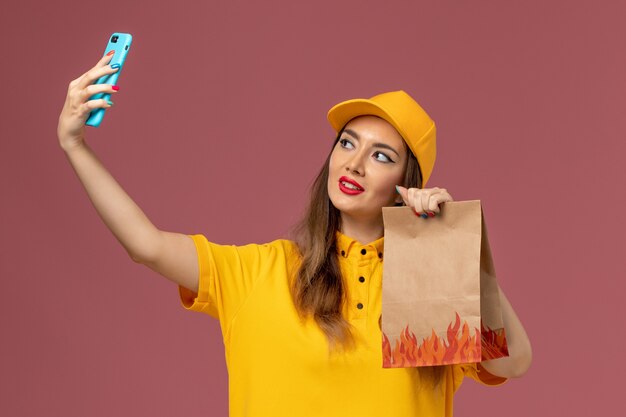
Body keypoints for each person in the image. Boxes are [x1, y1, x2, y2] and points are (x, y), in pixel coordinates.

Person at [57, 52, 532, 417]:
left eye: (382, 156)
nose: (355, 163)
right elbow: (146, 244)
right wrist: (74, 144)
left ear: (406, 184)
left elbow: (513, 363)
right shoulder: (263, 271)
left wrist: (457, 248)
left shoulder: (430, 289)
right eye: (347, 143)